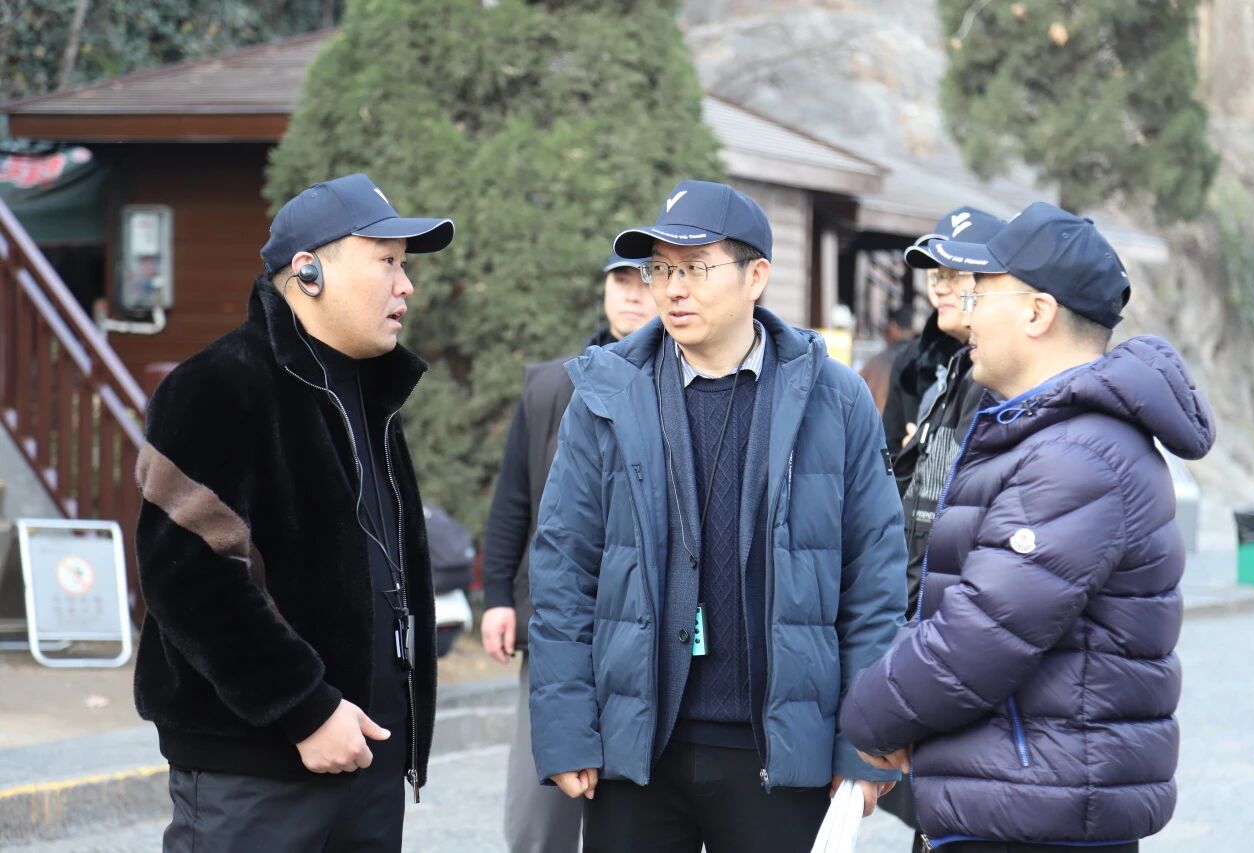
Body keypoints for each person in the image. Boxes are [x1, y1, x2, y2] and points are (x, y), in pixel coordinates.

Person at [527, 179, 907, 853]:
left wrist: (863, 742)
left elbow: (872, 580)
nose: (671, 288)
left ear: (756, 274)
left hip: (780, 750)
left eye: (695, 268)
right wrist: (565, 729)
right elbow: (563, 568)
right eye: (661, 268)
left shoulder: (835, 398)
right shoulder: (607, 393)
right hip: (636, 750)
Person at [841, 202, 1216, 852]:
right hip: (1017, 801)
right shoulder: (1039, 434)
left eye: (981, 291)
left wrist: (869, 717)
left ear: (1038, 313)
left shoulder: (1078, 454)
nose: (966, 308)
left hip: (1039, 818)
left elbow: (976, 637)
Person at [134, 173, 453, 852]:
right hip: (253, 770)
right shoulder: (217, 384)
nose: (407, 286)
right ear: (308, 271)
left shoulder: (372, 398)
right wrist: (306, 709)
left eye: (406, 266)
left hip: (370, 760)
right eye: (388, 262)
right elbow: (188, 581)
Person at [481, 250, 656, 853]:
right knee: (540, 816)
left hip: (647, 627)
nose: (632, 294)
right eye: (620, 280)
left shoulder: (679, 388)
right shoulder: (552, 385)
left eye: (645, 280)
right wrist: (498, 596)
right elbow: (513, 501)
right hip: (560, 624)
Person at [875, 207, 1004, 853]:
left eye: (960, 270)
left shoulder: (1007, 389)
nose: (943, 284)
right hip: (926, 644)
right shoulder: (934, 371)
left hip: (966, 669)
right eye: (935, 272)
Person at [882, 207, 1004, 452]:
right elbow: (885, 459)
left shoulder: (1009, 363)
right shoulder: (913, 362)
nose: (939, 289)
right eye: (938, 276)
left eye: (956, 274)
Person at [858, 302, 916, 414]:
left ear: (893, 327)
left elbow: (856, 393)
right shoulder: (922, 359)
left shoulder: (878, 362)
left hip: (880, 425)